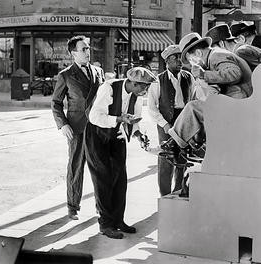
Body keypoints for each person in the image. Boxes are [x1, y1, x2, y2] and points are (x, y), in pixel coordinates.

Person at [87, 67, 156, 239]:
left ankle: (118, 220)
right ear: (133, 83)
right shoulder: (109, 88)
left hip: (116, 133)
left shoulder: (136, 96)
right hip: (97, 134)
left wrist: (139, 134)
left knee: (120, 179)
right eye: (143, 87)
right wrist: (118, 119)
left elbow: (134, 119)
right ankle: (105, 224)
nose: (145, 91)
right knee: (103, 179)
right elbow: (94, 116)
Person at [162, 32, 252, 157]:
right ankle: (185, 145)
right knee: (201, 109)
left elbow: (234, 73)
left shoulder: (216, 55)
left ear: (198, 53)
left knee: (193, 107)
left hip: (239, 105)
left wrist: (204, 75)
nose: (193, 64)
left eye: (191, 60)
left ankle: (175, 144)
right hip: (238, 104)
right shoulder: (215, 57)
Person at [51, 35, 104, 220]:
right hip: (77, 128)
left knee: (100, 168)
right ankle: (72, 206)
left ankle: (102, 207)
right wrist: (63, 124)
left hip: (98, 127)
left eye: (88, 48)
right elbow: (56, 103)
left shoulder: (98, 71)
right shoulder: (65, 75)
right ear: (74, 53)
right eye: (83, 49)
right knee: (76, 167)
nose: (88, 51)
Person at [148, 45, 195, 196]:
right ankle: (165, 194)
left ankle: (179, 191)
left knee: (183, 157)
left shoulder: (189, 77)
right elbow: (152, 108)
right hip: (165, 120)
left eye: (181, 57)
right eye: (175, 58)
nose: (180, 61)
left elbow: (193, 100)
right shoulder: (158, 81)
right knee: (166, 159)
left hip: (184, 119)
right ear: (167, 61)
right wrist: (165, 124)